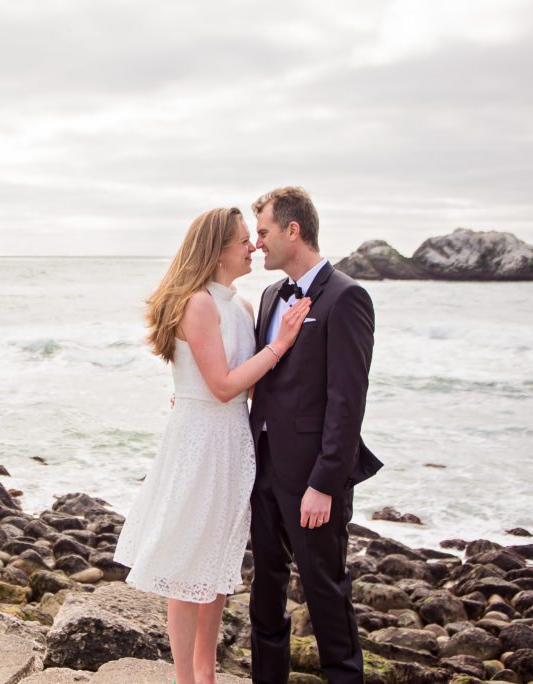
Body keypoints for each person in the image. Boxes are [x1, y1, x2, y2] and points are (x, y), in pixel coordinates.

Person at [114, 207, 311, 684]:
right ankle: (187, 679)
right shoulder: (197, 303)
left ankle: (208, 674)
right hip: (200, 441)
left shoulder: (240, 307)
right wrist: (280, 344)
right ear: (218, 250)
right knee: (186, 568)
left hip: (231, 441)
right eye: (245, 240)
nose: (254, 247)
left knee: (217, 560)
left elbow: (247, 387)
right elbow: (223, 386)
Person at [247, 187, 383, 684]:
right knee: (265, 589)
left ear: (292, 230)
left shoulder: (347, 297)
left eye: (262, 232)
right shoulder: (267, 296)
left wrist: (325, 482)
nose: (257, 243)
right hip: (261, 466)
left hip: (312, 479)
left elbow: (348, 402)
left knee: (326, 589)